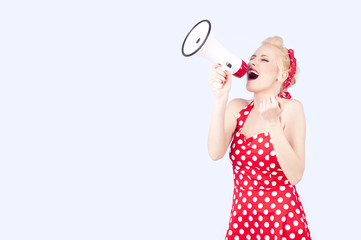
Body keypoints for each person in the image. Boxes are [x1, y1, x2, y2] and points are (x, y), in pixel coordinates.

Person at [208, 36, 311, 240]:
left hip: (282, 220)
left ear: (281, 75)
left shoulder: (291, 109)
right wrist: (221, 98)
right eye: (253, 57)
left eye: (264, 59)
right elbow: (214, 153)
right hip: (242, 219)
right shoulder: (237, 108)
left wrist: (273, 124)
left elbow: (295, 176)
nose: (253, 62)